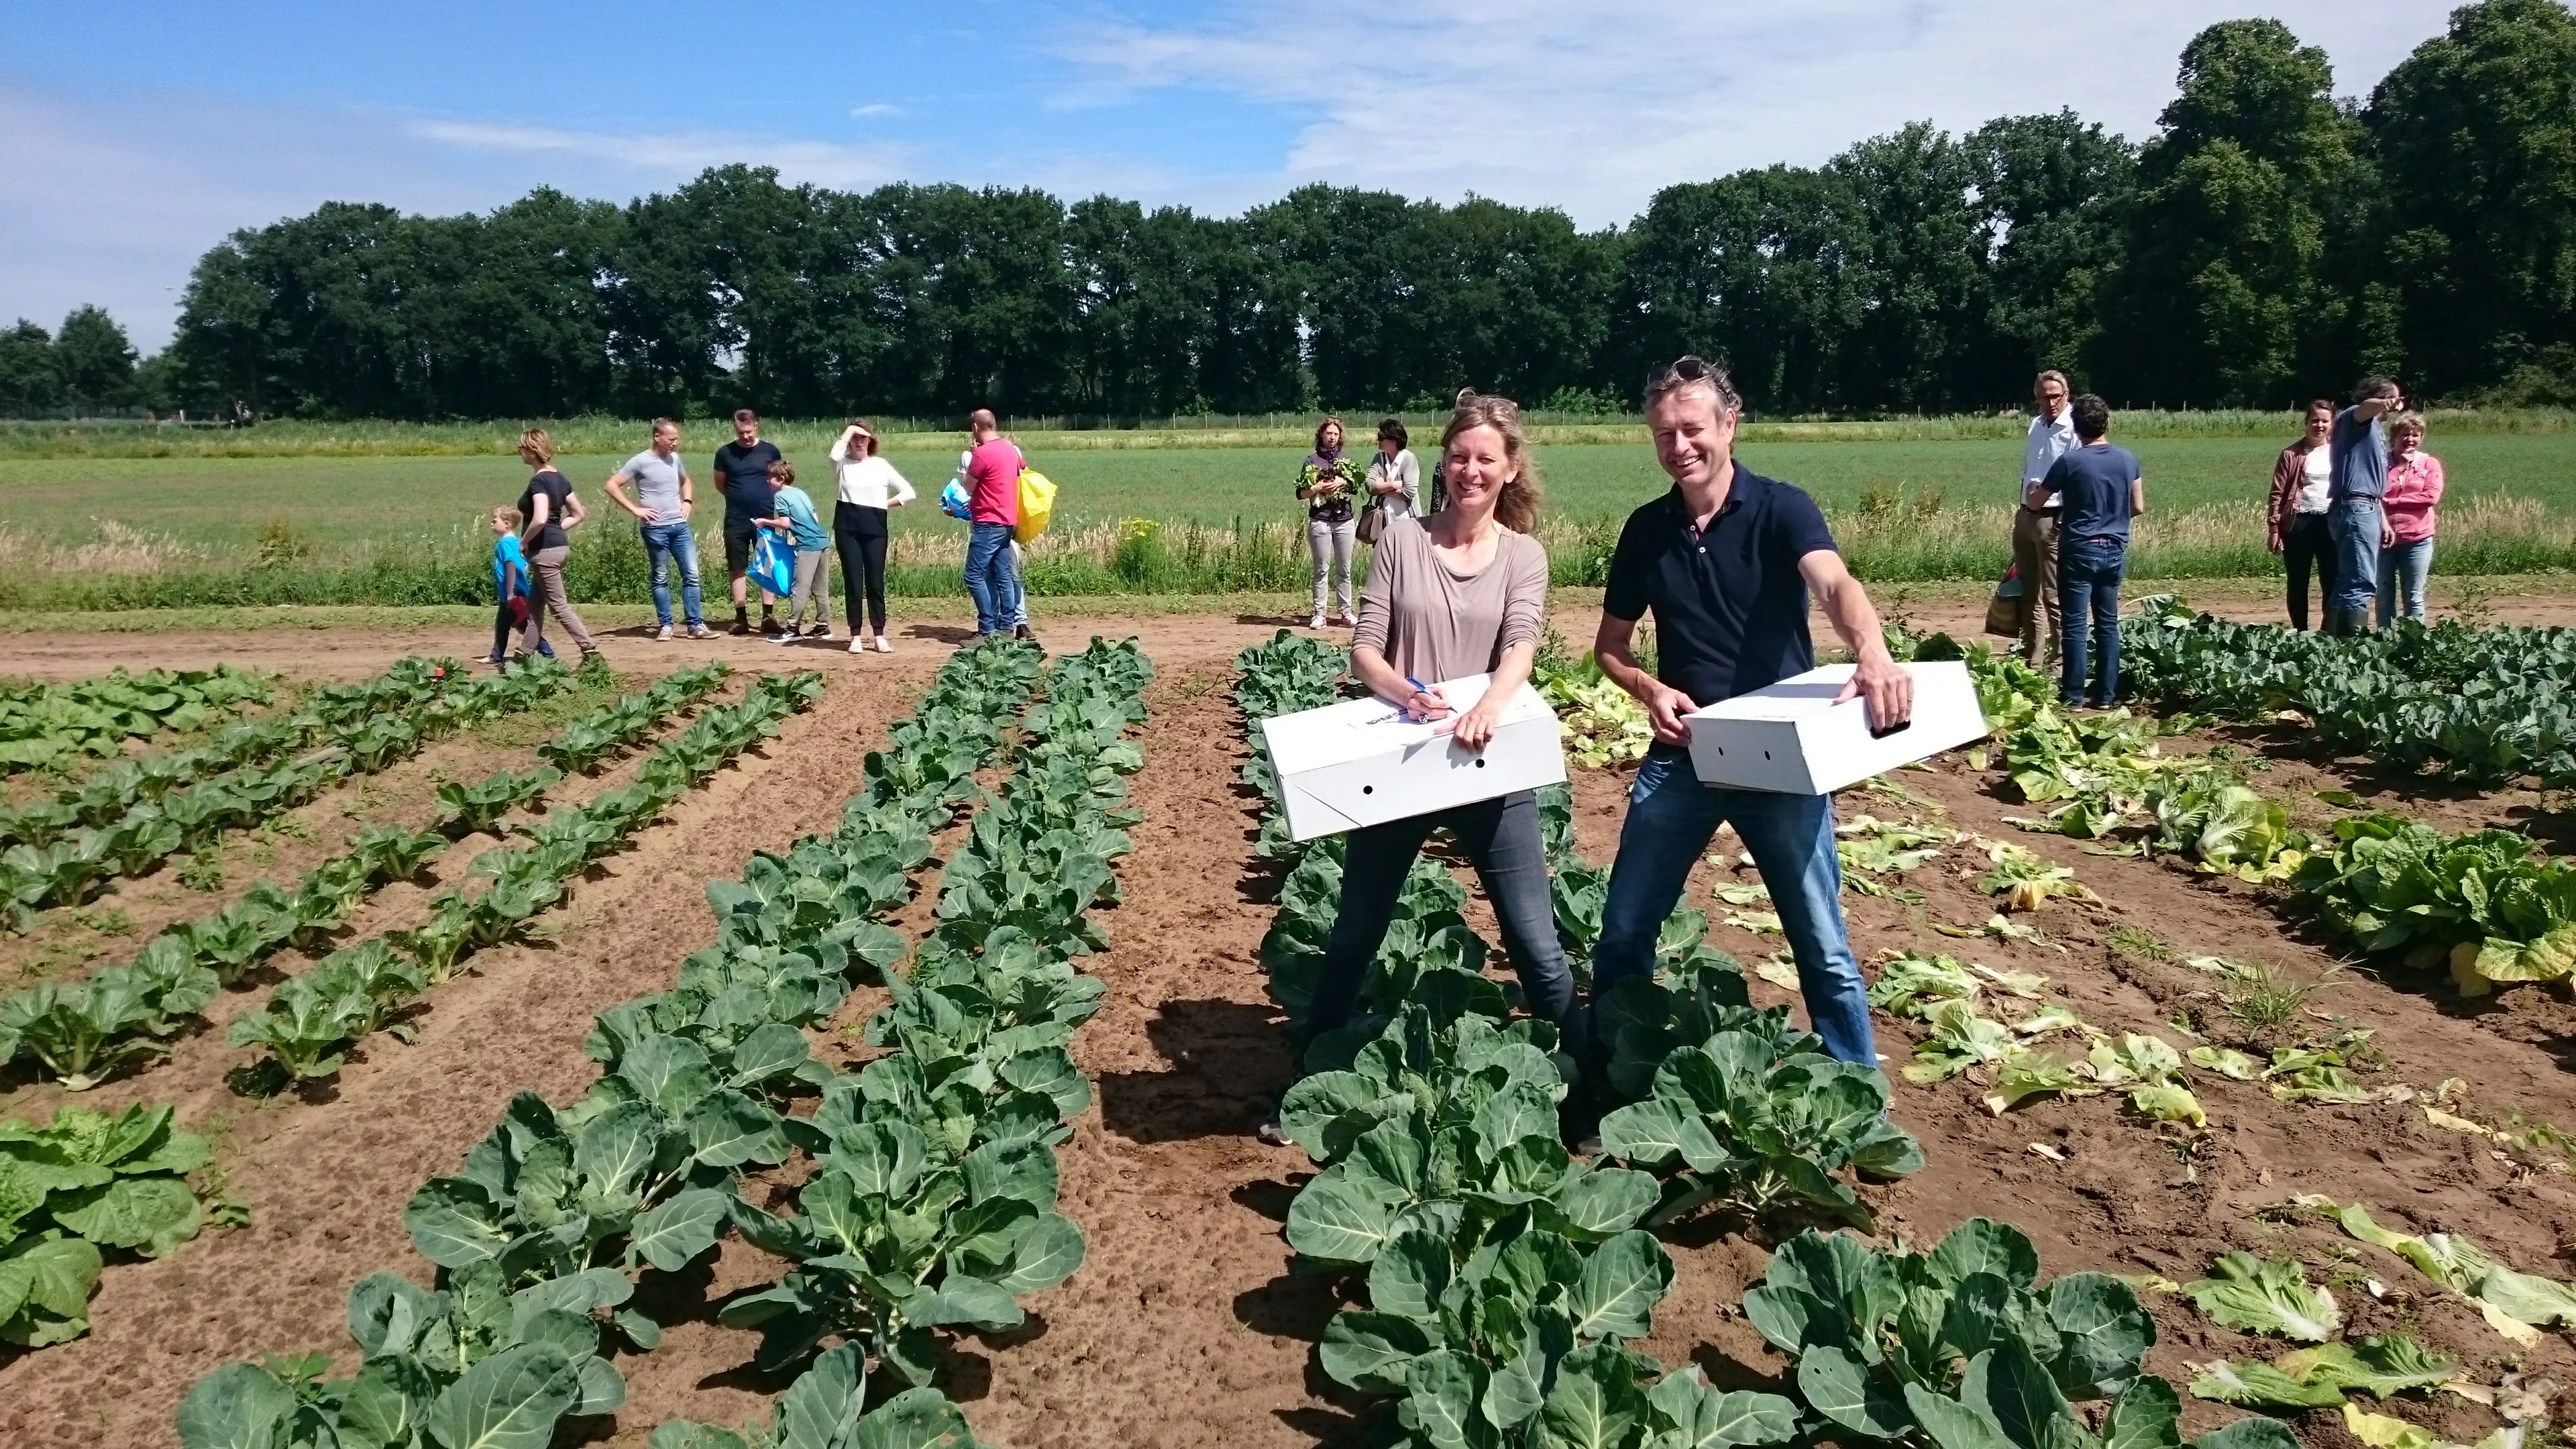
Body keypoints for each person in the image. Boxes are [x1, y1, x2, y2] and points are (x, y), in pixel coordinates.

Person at [1256, 393, 1573, 1144]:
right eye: (1459, 457)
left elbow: (1521, 646)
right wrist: (1406, 692)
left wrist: (1491, 705)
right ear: (1444, 463)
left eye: (1485, 459)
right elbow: (1367, 644)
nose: (1470, 470)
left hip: (1488, 763)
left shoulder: (1525, 557)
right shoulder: (1402, 541)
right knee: (1356, 932)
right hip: (1403, 762)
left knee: (1535, 943)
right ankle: (1304, 1088)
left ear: (1509, 469)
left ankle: (1584, 1097)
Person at [1589, 357, 1911, 1076]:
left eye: (1693, 429)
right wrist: (1650, 690)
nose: (1680, 447)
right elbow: (1610, 648)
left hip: (1781, 759)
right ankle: (1608, 1077)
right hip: (1687, 756)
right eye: (1664, 433)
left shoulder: (1780, 508)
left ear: (1730, 425)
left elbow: (1835, 583)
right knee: (1624, 930)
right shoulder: (1647, 530)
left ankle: (1859, 1094)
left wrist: (1874, 651)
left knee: (1820, 943)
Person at [2029, 395, 2145, 707]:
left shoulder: (2070, 462)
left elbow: (2037, 502)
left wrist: (2032, 490)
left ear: (2076, 429)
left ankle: (2074, 696)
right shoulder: (2128, 459)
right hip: (2115, 547)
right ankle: (2106, 695)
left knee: (2075, 623)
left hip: (2079, 547)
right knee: (2108, 622)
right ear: (2107, 422)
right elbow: (2138, 506)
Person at [606, 418, 713, 641]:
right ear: (658, 437)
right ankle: (666, 625)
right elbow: (612, 485)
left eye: (677, 439)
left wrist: (688, 502)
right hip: (655, 529)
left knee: (692, 575)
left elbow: (686, 481)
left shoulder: (674, 459)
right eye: (671, 439)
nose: (676, 443)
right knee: (660, 577)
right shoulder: (640, 461)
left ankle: (695, 625)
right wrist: (636, 510)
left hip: (680, 527)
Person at [2324, 377, 2406, 636]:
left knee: (2347, 581)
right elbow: (2366, 408)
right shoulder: (2355, 418)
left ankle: (2330, 643)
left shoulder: (2374, 430)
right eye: (2394, 397)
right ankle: (2351, 648)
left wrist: (2381, 520)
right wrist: (2385, 403)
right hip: (2356, 507)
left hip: (2364, 506)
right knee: (2360, 582)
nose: (2398, 404)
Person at [829, 417, 916, 654]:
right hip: (847, 529)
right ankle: (855, 635)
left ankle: (879, 634)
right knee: (854, 584)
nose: (858, 442)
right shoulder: (842, 465)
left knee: (875, 583)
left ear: (871, 440)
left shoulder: (881, 465)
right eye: (855, 437)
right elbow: (834, 455)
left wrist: (882, 504)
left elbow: (909, 493)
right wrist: (849, 430)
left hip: (875, 529)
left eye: (863, 437)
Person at [515, 428, 598, 663]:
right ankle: (525, 653)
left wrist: (524, 541)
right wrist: (557, 529)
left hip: (544, 553)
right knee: (535, 605)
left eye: (522, 449)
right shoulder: (560, 479)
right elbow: (578, 513)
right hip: (559, 549)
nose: (520, 453)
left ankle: (590, 651)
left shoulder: (539, 481)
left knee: (559, 606)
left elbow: (540, 518)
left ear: (532, 451)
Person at [2013, 371, 2077, 669]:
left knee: (2053, 593)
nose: (2050, 402)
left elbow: (2077, 475)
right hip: (2027, 515)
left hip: (2054, 516)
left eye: (2055, 396)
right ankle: (2033, 655)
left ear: (2067, 395)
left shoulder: (2075, 427)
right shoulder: (2036, 424)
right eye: (2044, 397)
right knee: (2028, 590)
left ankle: (2061, 658)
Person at [2265, 400, 2338, 631]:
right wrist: (2274, 529)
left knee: (2333, 580)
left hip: (2331, 522)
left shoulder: (2339, 453)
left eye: (2325, 421)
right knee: (2298, 581)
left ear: (2332, 424)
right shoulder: (2291, 454)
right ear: (2306, 423)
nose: (2319, 425)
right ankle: (2300, 631)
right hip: (2298, 523)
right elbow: (2277, 493)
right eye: (2315, 420)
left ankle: (2328, 631)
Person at [714, 409, 787, 635]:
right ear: (735, 429)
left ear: (756, 426)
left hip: (766, 518)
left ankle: (768, 616)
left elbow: (779, 477)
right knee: (737, 568)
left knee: (767, 565)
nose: (745, 436)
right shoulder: (725, 453)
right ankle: (741, 618)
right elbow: (720, 484)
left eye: (748, 431)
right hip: (736, 518)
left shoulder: (770, 450)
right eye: (740, 432)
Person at [962, 409, 1032, 643]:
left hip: (988, 522)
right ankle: (1006, 627)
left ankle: (986, 629)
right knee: (1004, 575)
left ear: (975, 428)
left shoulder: (982, 454)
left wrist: (974, 455)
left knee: (973, 575)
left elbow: (968, 487)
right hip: (1008, 521)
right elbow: (1022, 469)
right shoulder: (1010, 450)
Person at [2377, 412, 2444, 627]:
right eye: (2405, 435)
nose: (2410, 440)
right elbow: (2374, 494)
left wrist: (2393, 502)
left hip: (2418, 539)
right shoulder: (2381, 463)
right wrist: (2400, 468)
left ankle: (2413, 641)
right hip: (2382, 539)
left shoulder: (2429, 464)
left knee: (2414, 596)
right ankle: (2384, 640)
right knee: (2383, 594)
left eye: (2416, 435)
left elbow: (2430, 497)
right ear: (2394, 437)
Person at [754, 460, 833, 641]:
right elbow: (815, 517)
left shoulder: (780, 496)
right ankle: (823, 626)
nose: (767, 481)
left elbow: (784, 523)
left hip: (807, 546)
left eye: (770, 478)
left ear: (781, 479)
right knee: (820, 589)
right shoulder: (800, 493)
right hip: (821, 541)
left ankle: (792, 628)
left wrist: (764, 522)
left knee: (800, 588)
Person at [1297, 416, 1358, 630]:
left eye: (1335, 434)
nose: (1332, 437)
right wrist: (1318, 488)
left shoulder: (1346, 459)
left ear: (1340, 437)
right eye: (1328, 433)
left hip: (1344, 521)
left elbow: (1355, 486)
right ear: (1321, 435)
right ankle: (1320, 614)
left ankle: (1346, 612)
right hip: (1320, 521)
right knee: (1321, 569)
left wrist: (1343, 481)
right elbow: (1301, 493)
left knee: (1345, 569)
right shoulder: (1311, 461)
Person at [484, 506, 553, 665]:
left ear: (507, 523)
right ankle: (496, 655)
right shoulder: (517, 542)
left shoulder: (506, 543)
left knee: (523, 625)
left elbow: (511, 564)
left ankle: (547, 652)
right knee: (502, 624)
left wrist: (510, 593)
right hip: (515, 591)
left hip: (513, 592)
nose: (492, 525)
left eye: (495, 521)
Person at [1363, 417, 1421, 535]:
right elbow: (1369, 486)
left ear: (1393, 441)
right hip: (1384, 519)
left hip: (1407, 518)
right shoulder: (1379, 458)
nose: (1378, 441)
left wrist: (1382, 487)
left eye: (1381, 438)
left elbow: (1409, 492)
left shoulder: (1408, 459)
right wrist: (1395, 484)